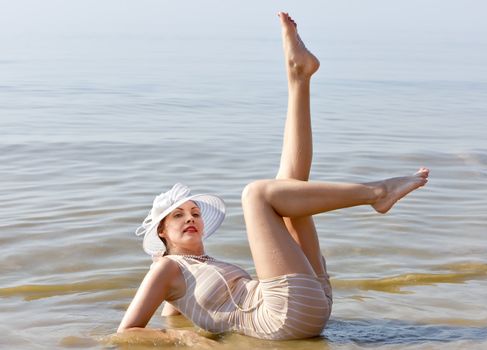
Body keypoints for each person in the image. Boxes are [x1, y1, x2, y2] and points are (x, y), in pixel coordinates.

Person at [117, 12, 429, 342]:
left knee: (289, 188)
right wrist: (184, 340)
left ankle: (299, 78)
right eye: (178, 215)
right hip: (281, 317)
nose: (190, 218)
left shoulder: (191, 270)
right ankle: (376, 193)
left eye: (194, 212)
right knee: (257, 195)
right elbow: (124, 334)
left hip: (308, 302)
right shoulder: (165, 269)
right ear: (162, 231)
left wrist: (180, 326)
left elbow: (176, 312)